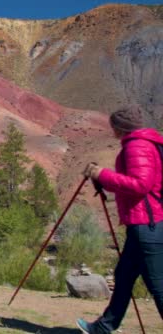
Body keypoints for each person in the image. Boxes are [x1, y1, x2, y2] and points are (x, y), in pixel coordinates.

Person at [78, 106, 163, 333]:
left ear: (120, 127)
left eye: (113, 125)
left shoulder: (137, 147)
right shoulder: (147, 143)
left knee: (157, 285)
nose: (111, 130)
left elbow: (140, 184)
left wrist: (101, 174)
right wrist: (104, 179)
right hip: (145, 223)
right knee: (123, 276)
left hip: (147, 224)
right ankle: (103, 328)